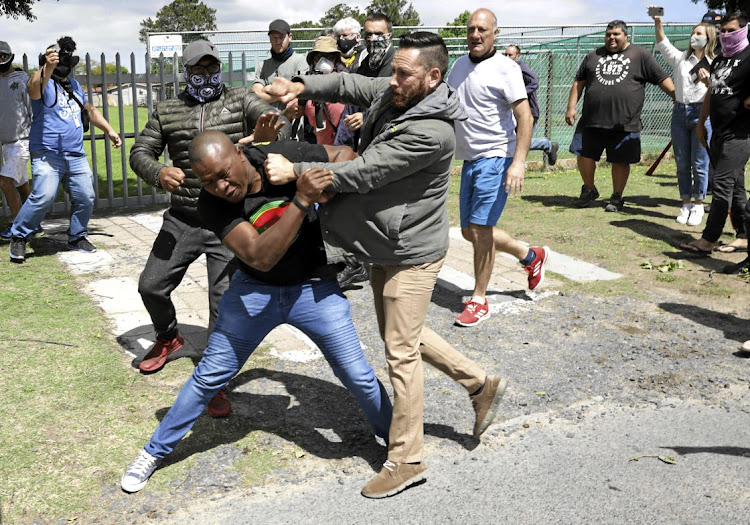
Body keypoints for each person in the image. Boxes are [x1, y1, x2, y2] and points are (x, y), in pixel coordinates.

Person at [263, 31, 507, 499]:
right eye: (393, 70)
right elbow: (352, 85)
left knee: (400, 353)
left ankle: (408, 458)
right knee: (404, 335)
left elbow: (364, 171)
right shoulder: (401, 89)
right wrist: (301, 87)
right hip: (387, 244)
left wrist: (295, 172)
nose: (392, 80)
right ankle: (480, 384)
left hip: (411, 252)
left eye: (403, 74)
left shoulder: (432, 130)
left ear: (433, 77)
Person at [120, 129, 392, 493]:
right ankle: (154, 452)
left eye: (223, 172)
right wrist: (301, 199)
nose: (220, 185)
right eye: (208, 181)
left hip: (313, 287)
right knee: (208, 376)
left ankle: (398, 443)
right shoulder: (210, 204)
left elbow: (346, 155)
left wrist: (304, 174)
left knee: (357, 374)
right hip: (254, 291)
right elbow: (260, 257)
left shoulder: (280, 155)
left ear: (238, 152)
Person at [129, 39, 290, 417]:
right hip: (184, 216)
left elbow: (274, 125)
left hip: (229, 219)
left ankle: (214, 380)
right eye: (197, 70)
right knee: (150, 285)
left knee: (224, 307)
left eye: (211, 68)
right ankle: (169, 337)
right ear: (186, 72)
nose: (205, 76)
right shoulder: (167, 109)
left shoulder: (237, 100)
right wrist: (157, 171)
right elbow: (140, 152)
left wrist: (272, 133)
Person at [447, 9, 549, 328]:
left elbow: (525, 117)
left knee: (480, 230)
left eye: (482, 29)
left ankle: (479, 299)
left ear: (495, 33)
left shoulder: (506, 67)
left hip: (496, 157)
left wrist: (518, 162)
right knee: (470, 232)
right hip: (470, 160)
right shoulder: (459, 66)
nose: (475, 34)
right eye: (471, 29)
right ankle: (530, 255)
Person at [9, 36, 122, 263]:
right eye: (62, 63)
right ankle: (19, 235)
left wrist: (109, 129)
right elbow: (32, 87)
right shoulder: (43, 82)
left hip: (75, 154)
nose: (67, 68)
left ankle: (77, 236)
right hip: (47, 153)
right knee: (44, 195)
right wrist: (47, 67)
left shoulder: (74, 85)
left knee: (86, 197)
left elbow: (89, 110)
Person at [566, 20, 675, 212]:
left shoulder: (640, 55)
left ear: (626, 35)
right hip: (591, 120)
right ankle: (589, 189)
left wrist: (678, 98)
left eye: (616, 34)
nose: (611, 38)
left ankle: (616, 197)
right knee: (583, 154)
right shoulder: (593, 55)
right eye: (608, 34)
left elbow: (661, 78)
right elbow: (579, 82)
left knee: (621, 160)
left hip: (625, 122)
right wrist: (571, 107)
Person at [334, 12, 397, 290]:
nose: (373, 39)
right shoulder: (365, 65)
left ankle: (378, 259)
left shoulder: (397, 64)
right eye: (368, 34)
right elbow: (355, 92)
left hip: (391, 146)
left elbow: (398, 101)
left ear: (389, 35)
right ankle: (357, 263)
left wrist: (369, 114)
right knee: (356, 202)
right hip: (366, 145)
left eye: (378, 34)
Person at [681, 11, 750, 264]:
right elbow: (712, 90)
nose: (727, 35)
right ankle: (744, 235)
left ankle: (708, 239)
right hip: (718, 131)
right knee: (737, 188)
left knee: (721, 186)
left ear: (744, 30)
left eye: (733, 30)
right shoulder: (720, 59)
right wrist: (701, 123)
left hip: (740, 134)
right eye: (724, 31)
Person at [652, 13, 717, 227]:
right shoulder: (681, 58)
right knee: (682, 161)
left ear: (709, 38)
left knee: (700, 162)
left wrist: (708, 82)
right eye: (693, 32)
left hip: (702, 113)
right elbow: (663, 44)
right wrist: (658, 22)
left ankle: (699, 203)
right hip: (680, 112)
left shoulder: (715, 63)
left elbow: (719, 93)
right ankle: (686, 203)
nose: (694, 36)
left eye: (699, 33)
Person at [504, 44, 559, 166]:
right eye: (505, 54)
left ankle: (548, 145)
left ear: (517, 56)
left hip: (529, 111)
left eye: (510, 55)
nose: (507, 57)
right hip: (517, 111)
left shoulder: (519, 66)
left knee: (522, 143)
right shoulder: (509, 69)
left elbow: (534, 83)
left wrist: (518, 94)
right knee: (515, 141)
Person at [0, 41, 32, 238]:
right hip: (7, 144)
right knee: (22, 187)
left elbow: (32, 111)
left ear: (10, 57)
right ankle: (34, 222)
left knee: (4, 183)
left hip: (23, 142)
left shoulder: (22, 80)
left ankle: (18, 225)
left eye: (4, 56)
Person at [252, 19, 308, 125]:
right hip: (267, 124)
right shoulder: (263, 65)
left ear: (289, 37)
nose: (278, 42)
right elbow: (255, 96)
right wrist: (281, 96)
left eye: (281, 38)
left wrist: (267, 89)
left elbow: (299, 94)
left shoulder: (300, 61)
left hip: (294, 125)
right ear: (269, 39)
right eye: (274, 38)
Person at [303, 36, 347, 146]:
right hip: (320, 151)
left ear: (336, 59)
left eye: (328, 56)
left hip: (344, 151)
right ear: (313, 60)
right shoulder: (307, 85)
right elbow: (293, 110)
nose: (323, 61)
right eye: (318, 57)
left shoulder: (347, 81)